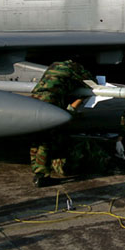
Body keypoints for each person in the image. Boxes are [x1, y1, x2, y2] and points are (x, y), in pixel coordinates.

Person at [29, 59, 96, 187]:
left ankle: (37, 173)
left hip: (35, 99)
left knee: (36, 139)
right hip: (50, 101)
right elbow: (91, 82)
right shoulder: (74, 67)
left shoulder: (53, 65)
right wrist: (80, 98)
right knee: (46, 140)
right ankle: (43, 177)